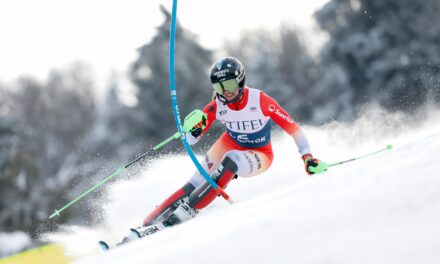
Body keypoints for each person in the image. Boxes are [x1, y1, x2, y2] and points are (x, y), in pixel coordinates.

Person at [139, 57, 327, 234]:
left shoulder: (260, 101)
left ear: (240, 80)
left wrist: (307, 157)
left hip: (260, 154)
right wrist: (193, 132)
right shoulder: (217, 105)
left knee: (231, 159)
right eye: (219, 87)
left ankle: (187, 212)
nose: (226, 92)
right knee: (195, 182)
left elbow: (294, 129)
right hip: (229, 143)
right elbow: (190, 141)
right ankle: (147, 224)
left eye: (229, 85)